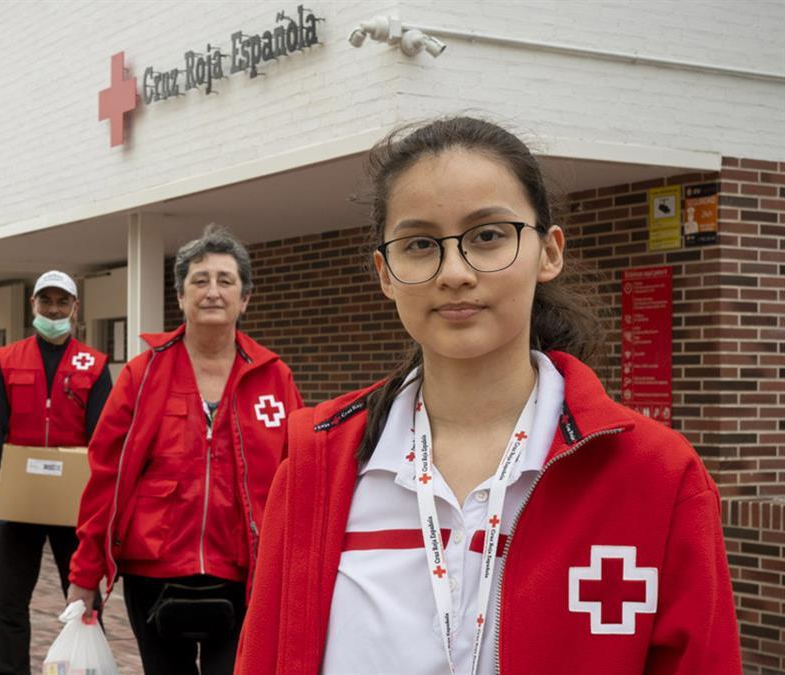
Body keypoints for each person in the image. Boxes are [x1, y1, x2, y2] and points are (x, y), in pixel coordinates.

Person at [235, 117, 742, 674]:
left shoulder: (656, 475)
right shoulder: (318, 465)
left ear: (549, 253)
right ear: (385, 272)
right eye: (421, 244)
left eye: (488, 236)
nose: (454, 272)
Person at [68, 224, 304, 675]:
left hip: (243, 570)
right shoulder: (142, 376)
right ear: (180, 296)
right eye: (200, 280)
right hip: (153, 571)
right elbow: (106, 479)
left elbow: (296, 479)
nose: (212, 291)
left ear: (245, 297)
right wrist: (84, 575)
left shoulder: (275, 378)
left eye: (225, 281)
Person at [0, 270, 112, 675]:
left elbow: (103, 440)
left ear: (75, 308)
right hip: (20, 500)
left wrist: (102, 503)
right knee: (10, 603)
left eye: (61, 302)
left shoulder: (94, 365)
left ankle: (84, 668)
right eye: (45, 301)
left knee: (83, 601)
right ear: (32, 305)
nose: (52, 309)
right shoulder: (5, 361)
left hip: (75, 505)